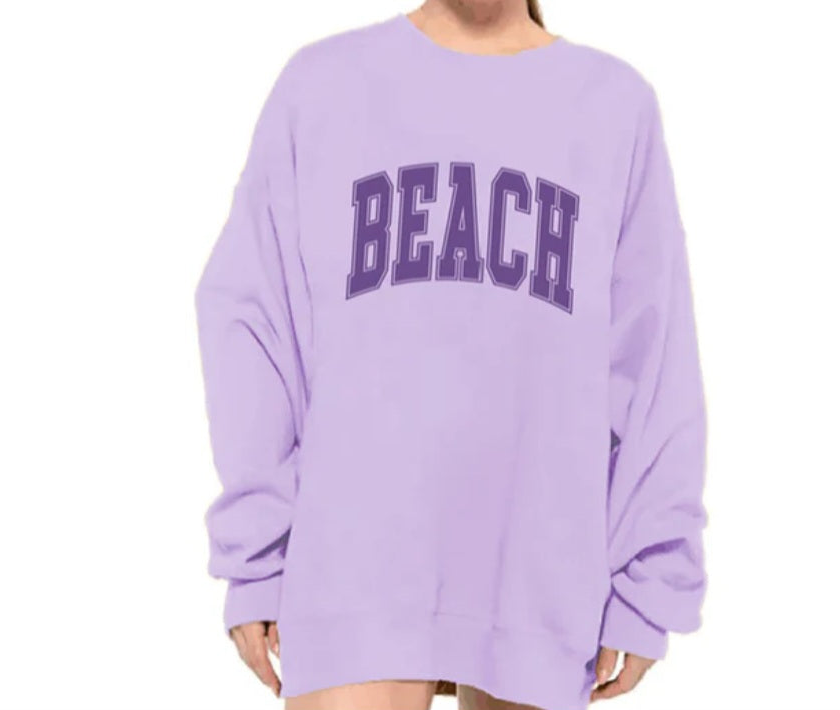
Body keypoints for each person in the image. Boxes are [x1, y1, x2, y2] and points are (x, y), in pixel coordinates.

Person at [194, 1, 709, 709]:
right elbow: (253, 322)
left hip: (540, 572)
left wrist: (650, 578)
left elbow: (654, 359)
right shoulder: (324, 86)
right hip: (354, 564)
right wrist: (255, 552)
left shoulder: (614, 106)